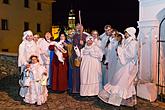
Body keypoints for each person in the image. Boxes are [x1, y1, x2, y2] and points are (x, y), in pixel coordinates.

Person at [98, 27, 138, 107]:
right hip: (123, 65)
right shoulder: (127, 41)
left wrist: (120, 50)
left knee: (121, 83)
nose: (125, 34)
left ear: (130, 33)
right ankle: (117, 101)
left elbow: (131, 54)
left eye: (126, 32)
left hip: (127, 66)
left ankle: (120, 101)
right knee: (118, 82)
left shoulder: (133, 42)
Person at [70, 23, 88, 93]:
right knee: (76, 72)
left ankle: (83, 89)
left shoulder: (86, 36)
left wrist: (83, 43)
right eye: (78, 27)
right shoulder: (75, 36)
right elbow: (74, 45)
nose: (79, 28)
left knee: (83, 72)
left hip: (84, 56)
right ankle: (76, 89)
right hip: (76, 56)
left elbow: (90, 44)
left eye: (80, 27)